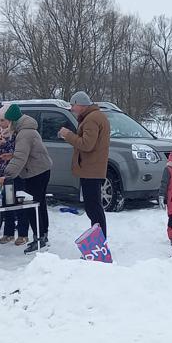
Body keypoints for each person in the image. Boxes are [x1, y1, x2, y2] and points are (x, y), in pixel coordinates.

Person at [0, 104, 53, 254]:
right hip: (41, 170)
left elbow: (21, 158)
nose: (5, 125)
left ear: (13, 120)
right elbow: (23, 154)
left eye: (6, 121)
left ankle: (39, 238)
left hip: (36, 173)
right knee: (40, 204)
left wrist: (6, 176)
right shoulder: (26, 130)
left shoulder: (24, 133)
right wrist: (11, 156)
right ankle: (43, 235)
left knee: (33, 206)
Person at [60, 91, 111, 237]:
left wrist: (68, 135)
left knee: (93, 208)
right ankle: (99, 241)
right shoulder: (96, 116)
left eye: (73, 105)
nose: (72, 109)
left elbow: (87, 145)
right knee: (94, 208)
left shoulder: (91, 119)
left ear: (80, 105)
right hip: (93, 169)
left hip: (91, 170)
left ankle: (99, 243)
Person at [0, 106, 19, 243]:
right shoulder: (0, 135)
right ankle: (8, 231)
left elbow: (18, 155)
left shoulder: (15, 135)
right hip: (2, 172)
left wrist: (8, 155)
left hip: (13, 173)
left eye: (2, 120)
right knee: (5, 202)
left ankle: (20, 232)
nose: (0, 124)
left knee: (14, 202)